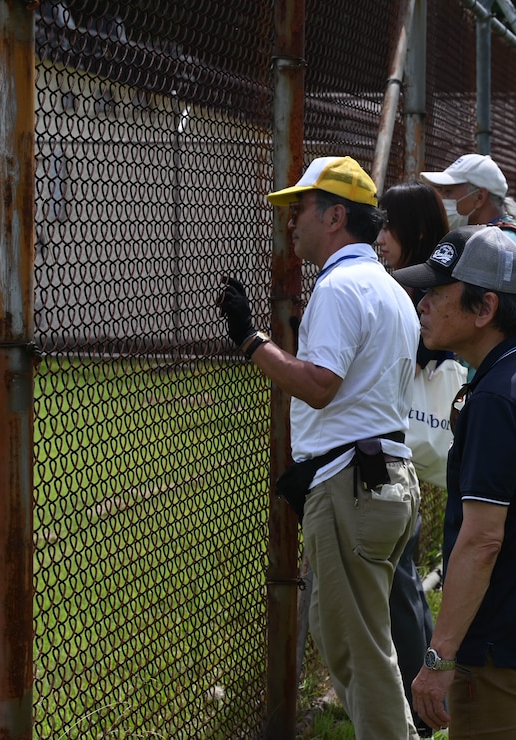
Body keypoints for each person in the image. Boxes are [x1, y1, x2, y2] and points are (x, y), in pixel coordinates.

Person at [217, 156, 421, 738]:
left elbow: (319, 385)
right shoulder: (387, 287)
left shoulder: (338, 285)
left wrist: (249, 339)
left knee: (359, 656)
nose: (291, 222)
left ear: (335, 216)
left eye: (299, 209)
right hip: (383, 476)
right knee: (365, 645)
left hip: (351, 488)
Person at [395, 226, 516, 738]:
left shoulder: (498, 398)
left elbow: (482, 541)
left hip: (500, 649)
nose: (422, 305)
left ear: (484, 308)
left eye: (436, 295)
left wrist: (438, 660)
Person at [378, 180, 450, 738]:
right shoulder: (434, 282)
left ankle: (416, 706)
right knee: (403, 577)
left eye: (386, 225)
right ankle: (419, 687)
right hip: (402, 453)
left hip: (391, 447)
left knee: (400, 582)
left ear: (414, 231)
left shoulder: (413, 287)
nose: (378, 237)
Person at [420, 153, 516, 307]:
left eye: (448, 192)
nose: (442, 199)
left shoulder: (493, 246)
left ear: (480, 197)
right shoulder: (515, 236)